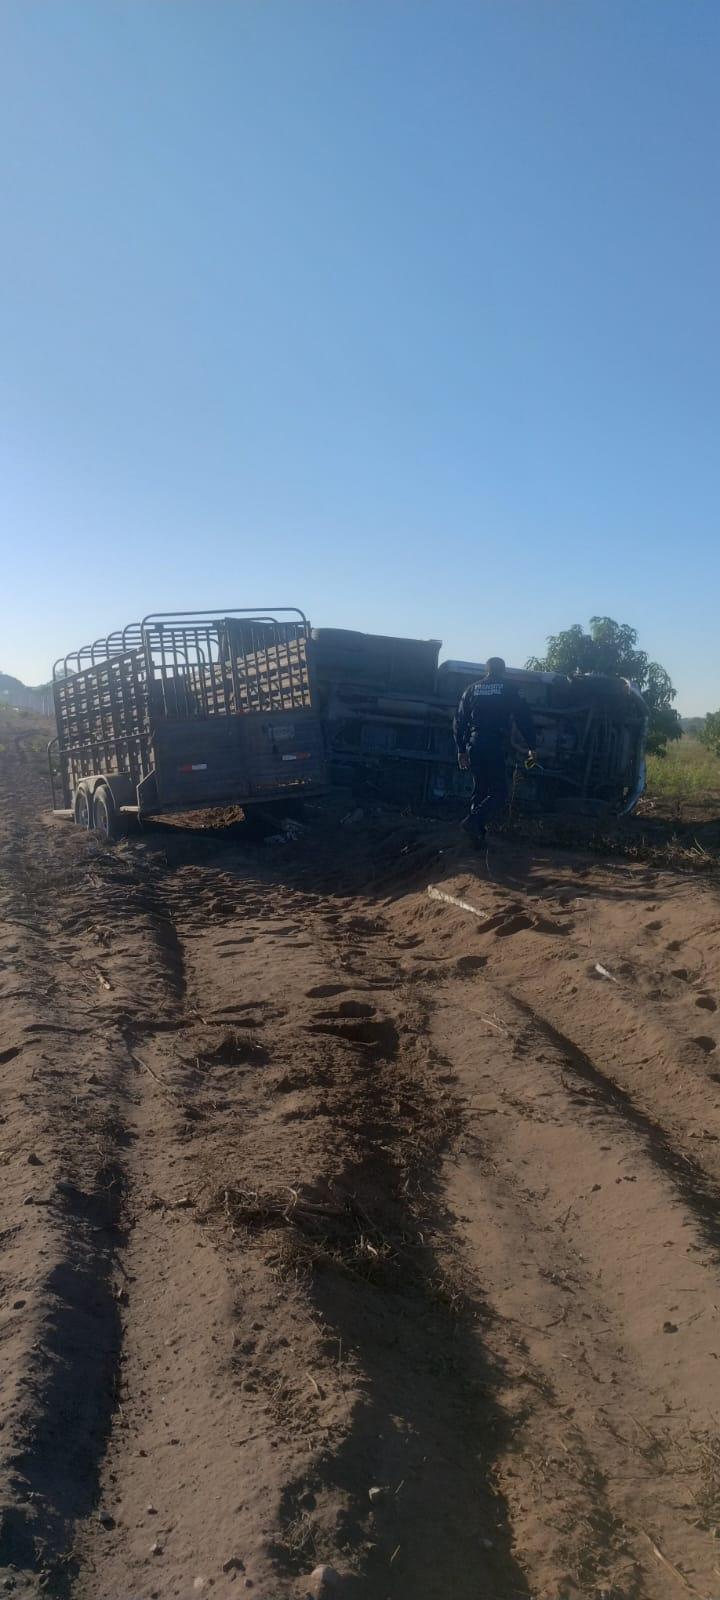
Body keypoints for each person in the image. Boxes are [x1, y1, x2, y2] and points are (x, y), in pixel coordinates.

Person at [453, 657, 535, 842]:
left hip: (474, 744)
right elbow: (524, 718)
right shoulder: (509, 689)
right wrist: (532, 746)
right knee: (499, 792)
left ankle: (476, 838)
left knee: (479, 789)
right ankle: (472, 821)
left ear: (486, 670)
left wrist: (461, 749)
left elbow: (459, 720)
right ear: (503, 671)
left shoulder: (471, 689)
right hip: (494, 744)